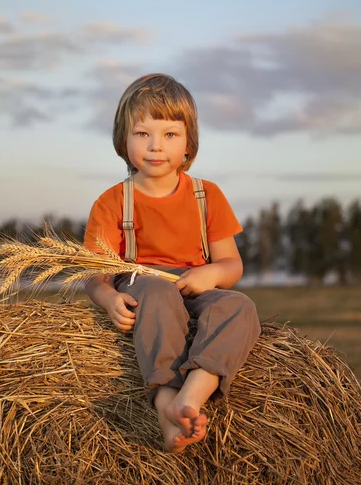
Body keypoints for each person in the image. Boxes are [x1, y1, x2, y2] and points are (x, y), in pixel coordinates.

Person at [84, 73, 260, 454]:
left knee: (239, 307)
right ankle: (165, 396)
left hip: (196, 284)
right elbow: (94, 274)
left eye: (169, 135)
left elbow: (231, 264)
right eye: (142, 134)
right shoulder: (113, 202)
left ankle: (193, 394)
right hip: (142, 282)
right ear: (123, 139)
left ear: (188, 142)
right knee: (160, 291)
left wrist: (211, 273)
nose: (155, 146)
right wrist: (107, 298)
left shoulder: (206, 195)